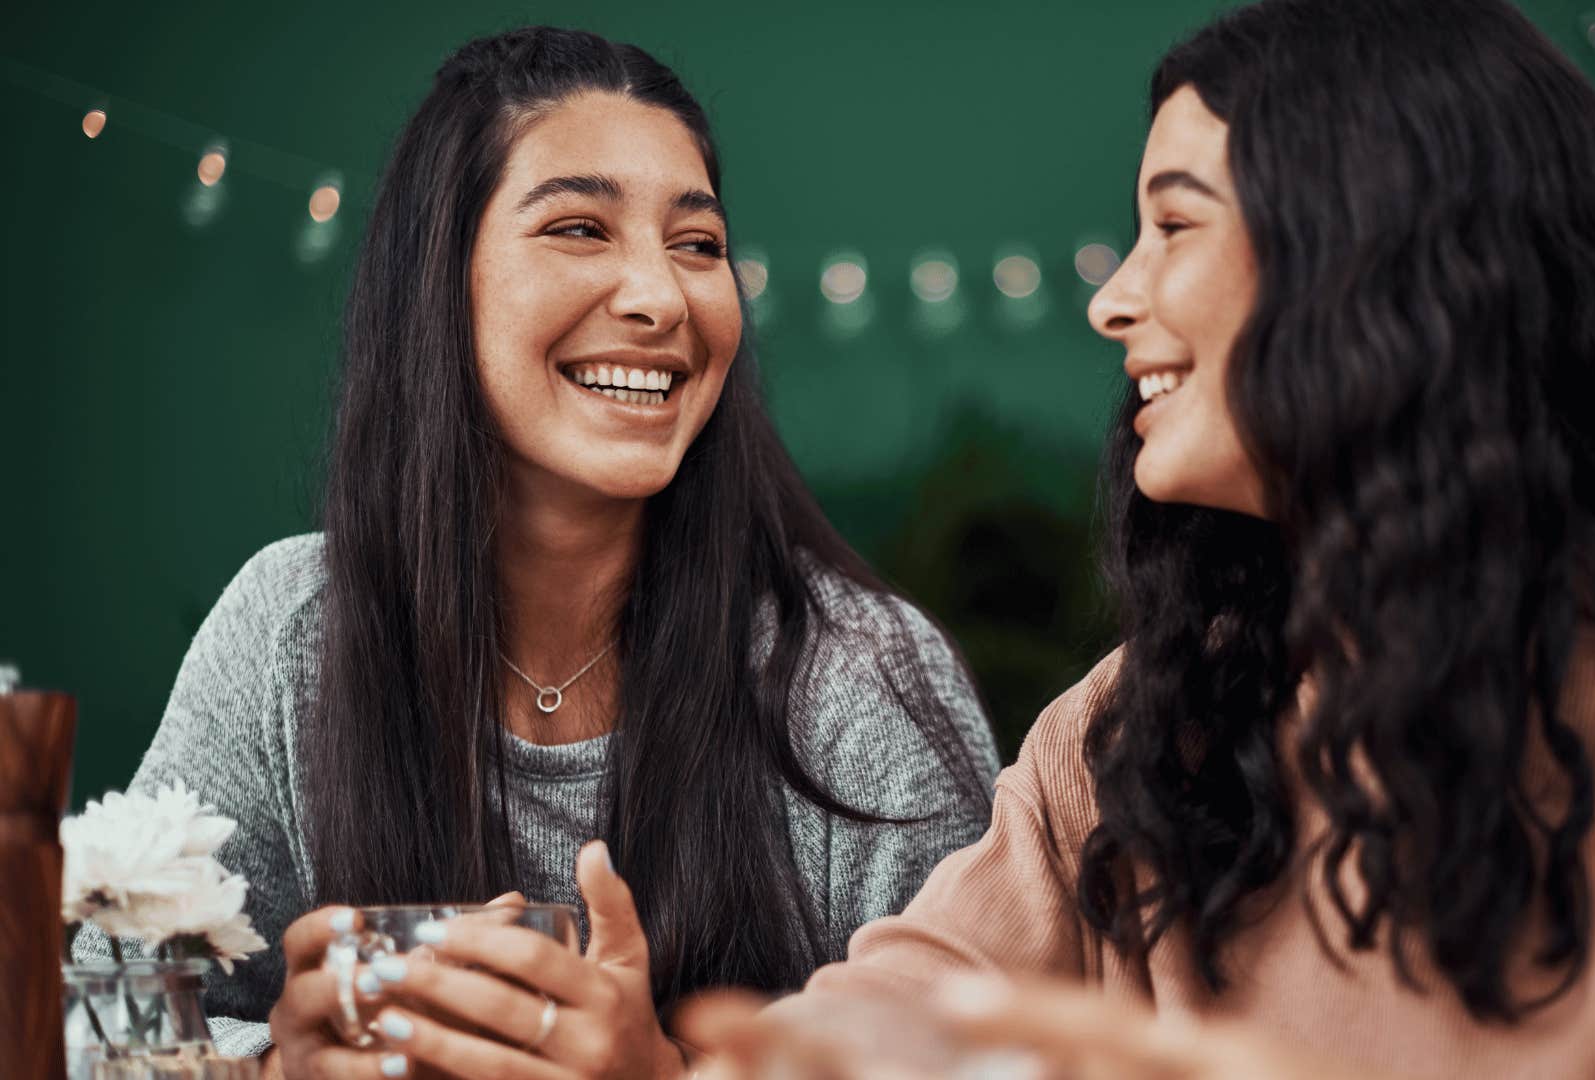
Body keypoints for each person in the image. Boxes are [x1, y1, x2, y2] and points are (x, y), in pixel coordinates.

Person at [688, 1, 1595, 1076]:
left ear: (1376, 260)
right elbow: (867, 1034)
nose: (1112, 298)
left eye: (1175, 226)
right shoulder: (1138, 729)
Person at [75, 26, 999, 1080]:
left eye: (696, 244)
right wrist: (279, 1067)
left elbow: (977, 1063)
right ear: (440, 279)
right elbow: (96, 1026)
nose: (660, 297)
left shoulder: (856, 679)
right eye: (578, 228)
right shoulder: (292, 631)